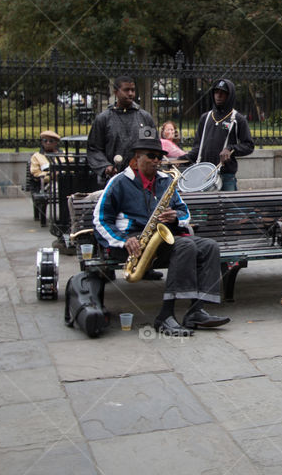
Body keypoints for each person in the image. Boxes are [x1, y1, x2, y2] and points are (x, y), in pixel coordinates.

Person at [93, 128, 229, 336]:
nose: (157, 161)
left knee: (209, 246)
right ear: (136, 158)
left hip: (163, 239)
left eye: (159, 157)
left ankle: (196, 311)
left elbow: (185, 213)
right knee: (185, 245)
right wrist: (124, 240)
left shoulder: (166, 181)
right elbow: (101, 219)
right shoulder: (119, 182)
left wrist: (176, 217)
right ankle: (165, 315)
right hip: (133, 243)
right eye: (151, 156)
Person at [182, 79, 254, 191]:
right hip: (203, 175)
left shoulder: (237, 119)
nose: (218, 95)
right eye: (216, 92)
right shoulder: (205, 118)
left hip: (226, 176)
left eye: (223, 93)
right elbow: (198, 148)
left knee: (228, 208)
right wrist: (182, 159)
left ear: (229, 95)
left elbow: (249, 146)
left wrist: (230, 148)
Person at [87, 76, 156, 186]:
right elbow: (94, 149)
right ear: (116, 92)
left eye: (133, 90)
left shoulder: (145, 117)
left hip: (140, 179)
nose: (130, 93)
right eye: (126, 90)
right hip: (112, 180)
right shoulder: (103, 119)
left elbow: (152, 145)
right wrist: (106, 167)